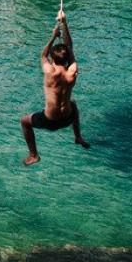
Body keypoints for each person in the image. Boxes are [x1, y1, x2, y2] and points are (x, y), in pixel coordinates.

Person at [21, 9, 90, 166]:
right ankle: (78, 136)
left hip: (50, 119)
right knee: (72, 104)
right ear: (67, 60)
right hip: (67, 117)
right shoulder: (72, 72)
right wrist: (65, 23)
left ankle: (33, 155)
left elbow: (43, 55)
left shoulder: (50, 72)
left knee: (24, 121)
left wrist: (53, 36)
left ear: (53, 60)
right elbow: (70, 48)